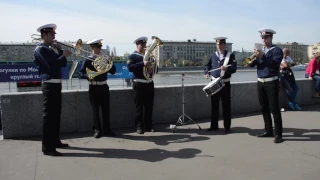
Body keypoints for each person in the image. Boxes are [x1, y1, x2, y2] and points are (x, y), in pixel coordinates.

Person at [33, 23, 72, 156]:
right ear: (44, 35)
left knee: (55, 115)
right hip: (49, 84)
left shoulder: (49, 49)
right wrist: (63, 55)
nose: (54, 37)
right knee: (49, 117)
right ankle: (48, 148)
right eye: (52, 34)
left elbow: (61, 64)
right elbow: (52, 66)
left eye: (54, 34)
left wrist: (59, 51)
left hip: (55, 84)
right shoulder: (41, 49)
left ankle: (55, 141)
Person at [248, 28, 284, 143]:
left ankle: (279, 134)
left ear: (271, 38)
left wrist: (262, 56)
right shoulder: (260, 51)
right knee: (264, 108)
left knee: (274, 108)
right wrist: (253, 59)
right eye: (262, 37)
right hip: (261, 82)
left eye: (266, 37)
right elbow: (251, 65)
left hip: (272, 82)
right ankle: (268, 130)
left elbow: (274, 64)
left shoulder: (277, 50)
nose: (264, 39)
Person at [79, 39, 117, 138]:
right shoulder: (87, 59)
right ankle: (97, 130)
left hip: (104, 86)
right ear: (92, 48)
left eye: (100, 47)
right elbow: (80, 73)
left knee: (106, 110)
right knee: (95, 110)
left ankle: (107, 130)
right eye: (97, 47)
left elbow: (113, 71)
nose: (99, 49)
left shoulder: (104, 59)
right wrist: (88, 77)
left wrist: (110, 61)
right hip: (94, 87)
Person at [204, 37, 237, 134]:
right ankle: (214, 126)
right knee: (214, 106)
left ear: (224, 45)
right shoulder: (213, 55)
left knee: (226, 106)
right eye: (217, 44)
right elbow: (207, 66)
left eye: (220, 44)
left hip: (225, 83)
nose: (219, 46)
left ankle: (227, 127)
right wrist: (207, 72)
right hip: (214, 83)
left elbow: (234, 68)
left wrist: (227, 69)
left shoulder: (230, 56)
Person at [127, 36, 155, 134]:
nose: (144, 46)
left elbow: (155, 70)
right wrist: (143, 63)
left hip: (149, 83)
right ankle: (139, 126)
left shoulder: (150, 56)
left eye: (145, 44)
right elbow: (130, 68)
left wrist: (151, 69)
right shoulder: (133, 56)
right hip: (139, 83)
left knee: (149, 106)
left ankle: (149, 126)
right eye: (142, 45)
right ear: (137, 45)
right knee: (139, 107)